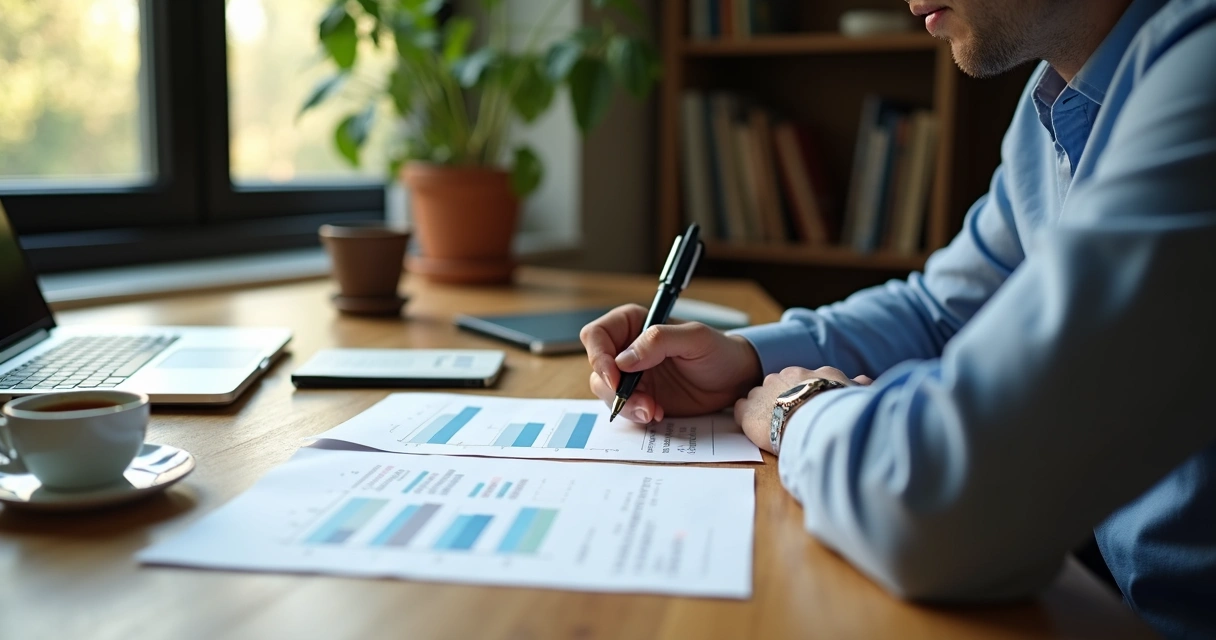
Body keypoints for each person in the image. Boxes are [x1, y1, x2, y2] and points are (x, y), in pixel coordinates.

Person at [580, 0, 1216, 636]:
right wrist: (743, 360)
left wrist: (798, 411)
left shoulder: (1201, 79)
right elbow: (940, 312)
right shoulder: (1047, 107)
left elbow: (939, 509)